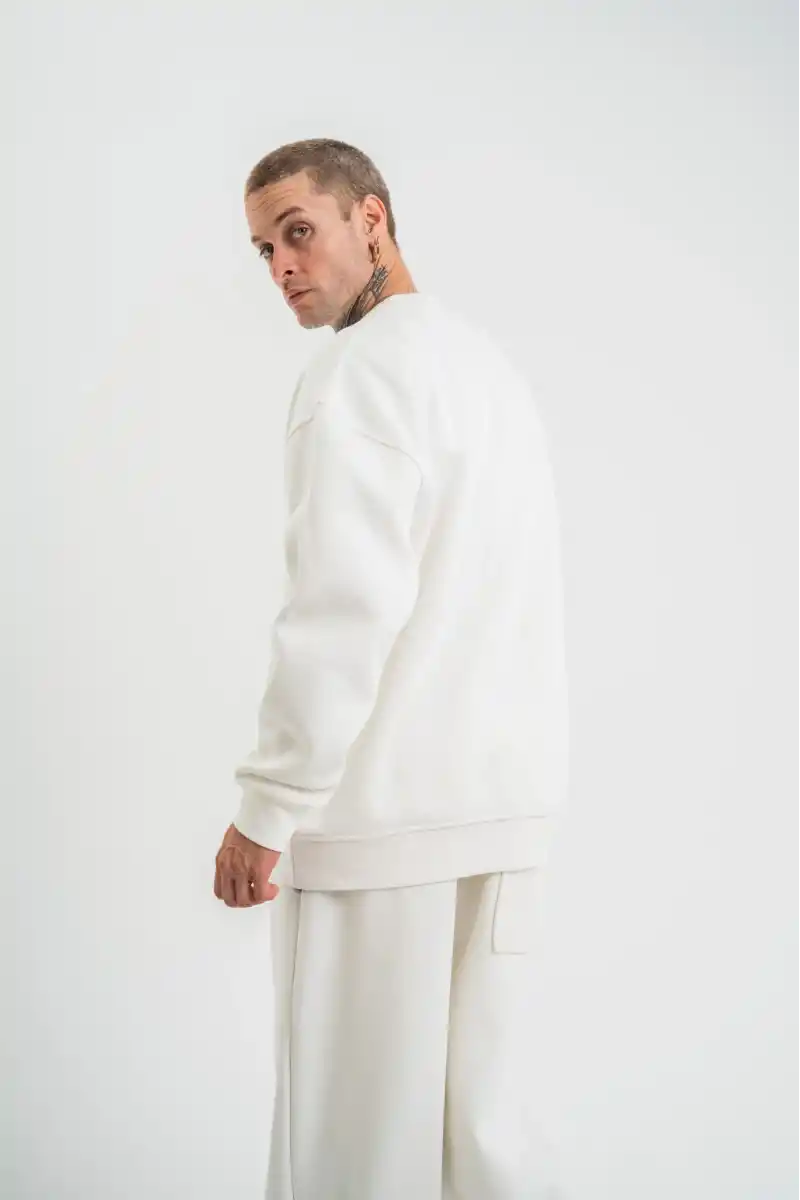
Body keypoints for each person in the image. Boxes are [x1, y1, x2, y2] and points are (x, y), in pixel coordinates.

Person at [213, 138, 570, 1200]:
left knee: (352, 1155)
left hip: (380, 835)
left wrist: (267, 807)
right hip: (505, 820)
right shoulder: (487, 370)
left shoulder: (356, 377)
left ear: (371, 218)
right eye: (263, 249)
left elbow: (341, 612)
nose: (281, 266)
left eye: (298, 232)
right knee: (482, 1147)